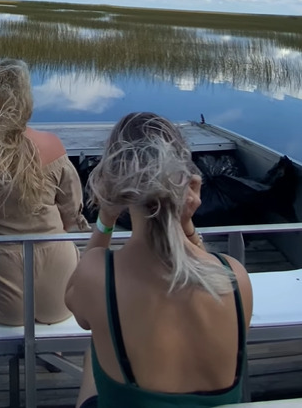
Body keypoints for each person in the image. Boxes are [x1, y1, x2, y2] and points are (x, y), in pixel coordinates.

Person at [65, 112, 253, 408]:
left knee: (98, 344)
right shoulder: (235, 277)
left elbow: (79, 308)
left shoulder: (99, 276)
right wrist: (187, 225)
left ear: (114, 183)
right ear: (187, 184)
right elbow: (192, 265)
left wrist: (105, 219)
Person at [0, 58, 88, 325]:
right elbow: (72, 217)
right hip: (61, 290)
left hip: (2, 290)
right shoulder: (53, 145)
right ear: (26, 98)